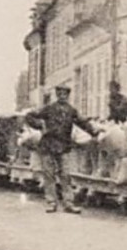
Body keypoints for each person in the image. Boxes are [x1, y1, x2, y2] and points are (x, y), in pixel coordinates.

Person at [24, 84, 96, 214]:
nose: (62, 96)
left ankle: (68, 203)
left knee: (66, 175)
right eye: (60, 94)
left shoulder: (71, 110)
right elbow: (29, 116)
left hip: (63, 146)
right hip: (48, 145)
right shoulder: (48, 109)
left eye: (65, 94)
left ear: (68, 96)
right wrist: (39, 125)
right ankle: (51, 202)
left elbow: (82, 122)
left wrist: (94, 132)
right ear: (57, 95)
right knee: (49, 175)